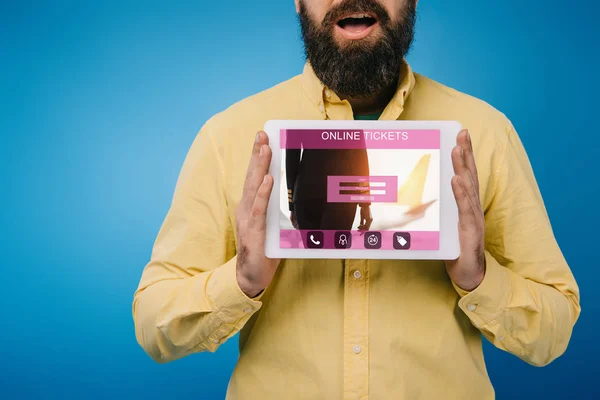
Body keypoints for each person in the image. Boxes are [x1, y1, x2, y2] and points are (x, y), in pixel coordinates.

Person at [132, 0, 581, 399]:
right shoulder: (228, 136)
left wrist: (478, 278)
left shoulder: (484, 133)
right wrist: (242, 280)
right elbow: (154, 325)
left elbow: (553, 329)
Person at [285, 134, 373, 233]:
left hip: (306, 191)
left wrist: (292, 203)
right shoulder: (346, 118)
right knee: (332, 247)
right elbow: (359, 155)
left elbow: (291, 157)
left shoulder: (299, 118)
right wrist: (365, 201)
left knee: (313, 247)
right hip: (342, 191)